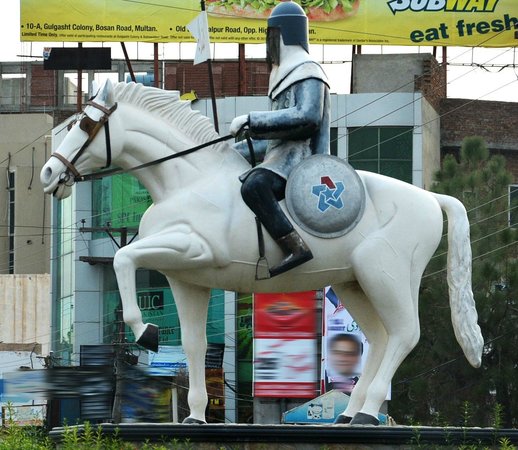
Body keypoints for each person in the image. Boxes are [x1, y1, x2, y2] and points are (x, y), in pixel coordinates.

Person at [229, 1, 331, 278]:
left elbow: (307, 118)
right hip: (282, 157)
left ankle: (295, 246)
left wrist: (253, 120)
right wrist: (234, 149)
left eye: (270, 36)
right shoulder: (286, 73)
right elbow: (277, 141)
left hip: (302, 161)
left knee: (254, 185)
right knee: (229, 158)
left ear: (282, 35)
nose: (268, 43)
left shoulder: (308, 71)